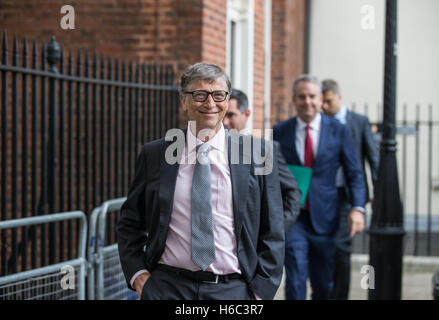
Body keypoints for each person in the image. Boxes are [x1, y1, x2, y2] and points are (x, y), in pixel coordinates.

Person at [116, 62, 285, 300]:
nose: (210, 103)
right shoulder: (155, 154)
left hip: (234, 291)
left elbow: (273, 230)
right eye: (199, 95)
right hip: (167, 288)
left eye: (218, 95)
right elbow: (130, 222)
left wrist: (260, 292)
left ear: (226, 101)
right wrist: (139, 274)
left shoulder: (256, 154)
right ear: (184, 102)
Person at [273, 74, 366, 300]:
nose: (307, 102)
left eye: (312, 96)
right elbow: (271, 174)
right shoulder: (280, 131)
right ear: (294, 100)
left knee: (323, 284)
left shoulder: (338, 130)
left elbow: (354, 172)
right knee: (295, 280)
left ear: (321, 98)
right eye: (302, 97)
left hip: (326, 217)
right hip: (294, 217)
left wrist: (358, 208)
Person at [321, 79, 379, 300]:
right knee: (324, 246)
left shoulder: (358, 121)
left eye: (328, 101)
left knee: (341, 246)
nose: (324, 107)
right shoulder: (321, 122)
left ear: (339, 97)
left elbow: (373, 159)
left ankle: (339, 295)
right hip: (324, 194)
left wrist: (377, 192)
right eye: (322, 102)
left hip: (349, 194)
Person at [223, 88, 302, 232]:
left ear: (246, 114)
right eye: (222, 115)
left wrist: (276, 231)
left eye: (231, 115)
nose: (225, 121)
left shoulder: (264, 150)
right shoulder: (213, 149)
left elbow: (292, 192)